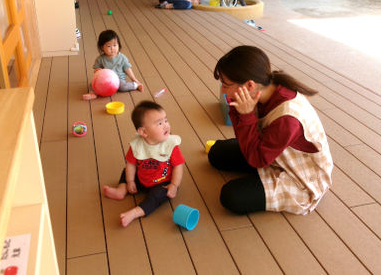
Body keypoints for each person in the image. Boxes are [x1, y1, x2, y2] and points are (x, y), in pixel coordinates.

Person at [208, 46, 334, 215]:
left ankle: (267, 180)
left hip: (300, 176)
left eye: (225, 84)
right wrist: (240, 111)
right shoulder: (265, 88)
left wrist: (246, 116)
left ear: (249, 85)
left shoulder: (287, 119)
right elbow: (244, 138)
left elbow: (257, 159)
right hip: (271, 153)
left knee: (231, 196)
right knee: (216, 153)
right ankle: (263, 178)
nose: (223, 90)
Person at [103, 101, 185, 227]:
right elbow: (131, 164)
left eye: (166, 120)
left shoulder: (170, 145)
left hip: (163, 182)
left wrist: (174, 185)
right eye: (159, 123)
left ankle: (136, 212)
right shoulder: (137, 145)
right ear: (144, 132)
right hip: (141, 179)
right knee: (126, 170)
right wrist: (130, 181)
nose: (166, 125)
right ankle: (121, 189)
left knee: (158, 196)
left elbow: (178, 166)